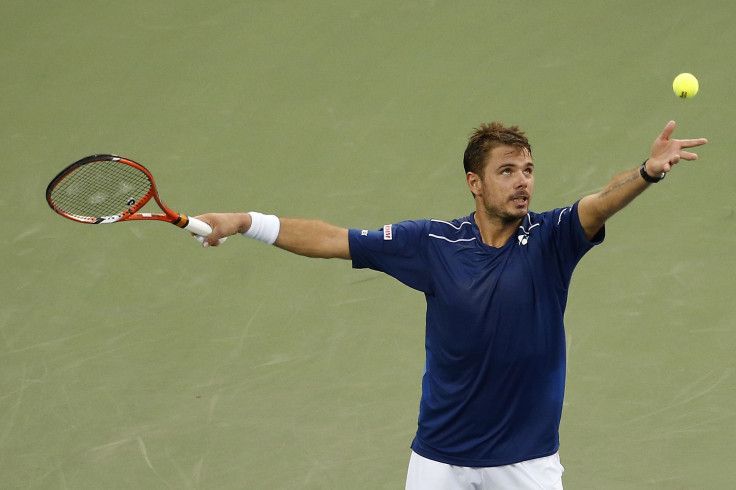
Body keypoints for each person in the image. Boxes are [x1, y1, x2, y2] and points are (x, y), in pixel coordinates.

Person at [195, 120, 707, 489]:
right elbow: (334, 239)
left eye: (528, 170)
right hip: (440, 460)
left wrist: (646, 171)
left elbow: (599, 201)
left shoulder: (553, 238)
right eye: (507, 171)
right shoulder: (432, 244)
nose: (523, 181)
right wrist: (245, 221)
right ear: (474, 183)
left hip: (526, 461)